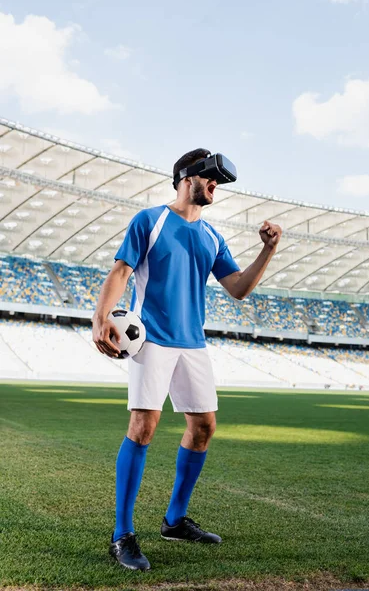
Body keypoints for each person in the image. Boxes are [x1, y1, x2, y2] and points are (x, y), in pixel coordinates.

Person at [92, 148, 282, 572]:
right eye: (210, 178)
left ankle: (174, 521)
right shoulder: (150, 220)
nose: (215, 186)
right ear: (186, 177)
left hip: (193, 343)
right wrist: (101, 315)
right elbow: (122, 271)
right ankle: (122, 534)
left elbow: (237, 287)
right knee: (143, 428)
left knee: (204, 427)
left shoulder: (212, 236)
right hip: (152, 339)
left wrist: (268, 251)